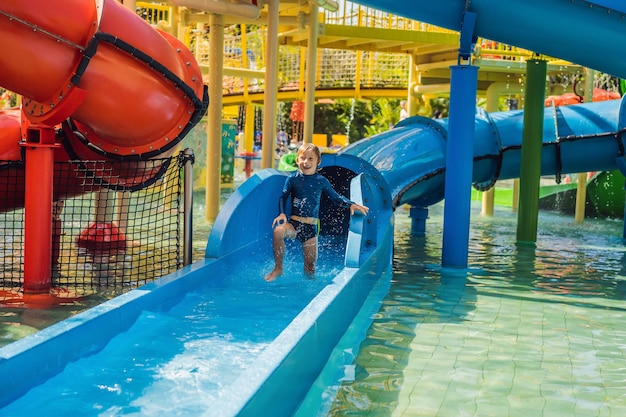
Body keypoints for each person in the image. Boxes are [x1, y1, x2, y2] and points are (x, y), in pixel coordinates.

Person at [264, 143, 369, 282]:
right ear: (297, 160)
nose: (306, 162)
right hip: (294, 225)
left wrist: (351, 204)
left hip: (311, 229)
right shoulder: (293, 179)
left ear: (318, 162)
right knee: (278, 231)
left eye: (310, 159)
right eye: (303, 158)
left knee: (310, 269)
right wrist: (282, 213)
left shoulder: (321, 181)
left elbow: (336, 198)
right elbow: (283, 196)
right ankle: (278, 268)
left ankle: (311, 289)